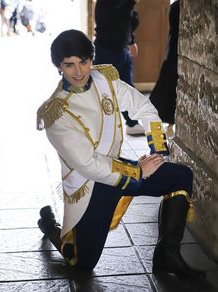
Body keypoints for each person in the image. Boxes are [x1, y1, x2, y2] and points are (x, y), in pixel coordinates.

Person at [36, 29, 205, 278]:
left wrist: (157, 150)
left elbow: (143, 108)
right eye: (69, 65)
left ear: (90, 59)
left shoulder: (106, 81)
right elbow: (87, 164)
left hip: (120, 169)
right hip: (93, 186)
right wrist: (138, 171)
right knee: (83, 265)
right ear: (58, 66)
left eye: (84, 61)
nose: (80, 71)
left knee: (180, 176)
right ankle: (50, 226)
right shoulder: (56, 112)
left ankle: (167, 256)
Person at [93, 0, 144, 136]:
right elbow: (111, 22)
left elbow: (129, 21)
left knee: (127, 88)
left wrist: (131, 41)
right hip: (106, 50)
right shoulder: (109, 3)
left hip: (121, 49)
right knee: (105, 89)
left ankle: (132, 123)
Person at [149, 0, 180, 138]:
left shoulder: (175, 6)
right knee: (169, 88)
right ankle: (168, 126)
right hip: (175, 52)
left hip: (173, 51)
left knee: (168, 87)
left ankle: (169, 126)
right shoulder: (178, 7)